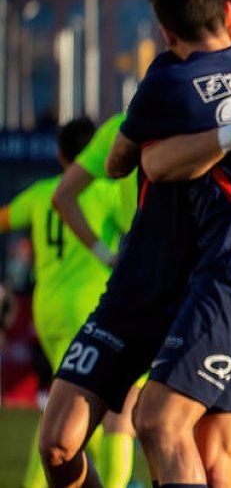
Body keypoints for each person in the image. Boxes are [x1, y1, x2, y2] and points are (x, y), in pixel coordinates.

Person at [39, 0, 231, 488]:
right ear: (217, 7)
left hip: (220, 283)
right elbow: (131, 163)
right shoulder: (165, 82)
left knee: (200, 452)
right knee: (59, 444)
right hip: (141, 288)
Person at [0, 118, 133, 488]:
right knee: (104, 409)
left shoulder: (41, 192)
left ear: (59, 156)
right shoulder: (106, 191)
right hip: (93, 311)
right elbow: (139, 228)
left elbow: (4, 219)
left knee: (68, 405)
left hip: (48, 310)